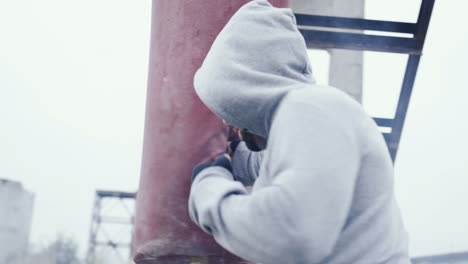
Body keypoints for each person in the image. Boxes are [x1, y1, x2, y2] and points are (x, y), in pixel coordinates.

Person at [188, 0, 411, 263]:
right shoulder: (313, 115)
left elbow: (287, 234)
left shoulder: (310, 109)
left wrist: (208, 187)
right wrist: (237, 159)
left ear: (248, 95)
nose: (233, 128)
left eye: (233, 115)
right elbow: (272, 161)